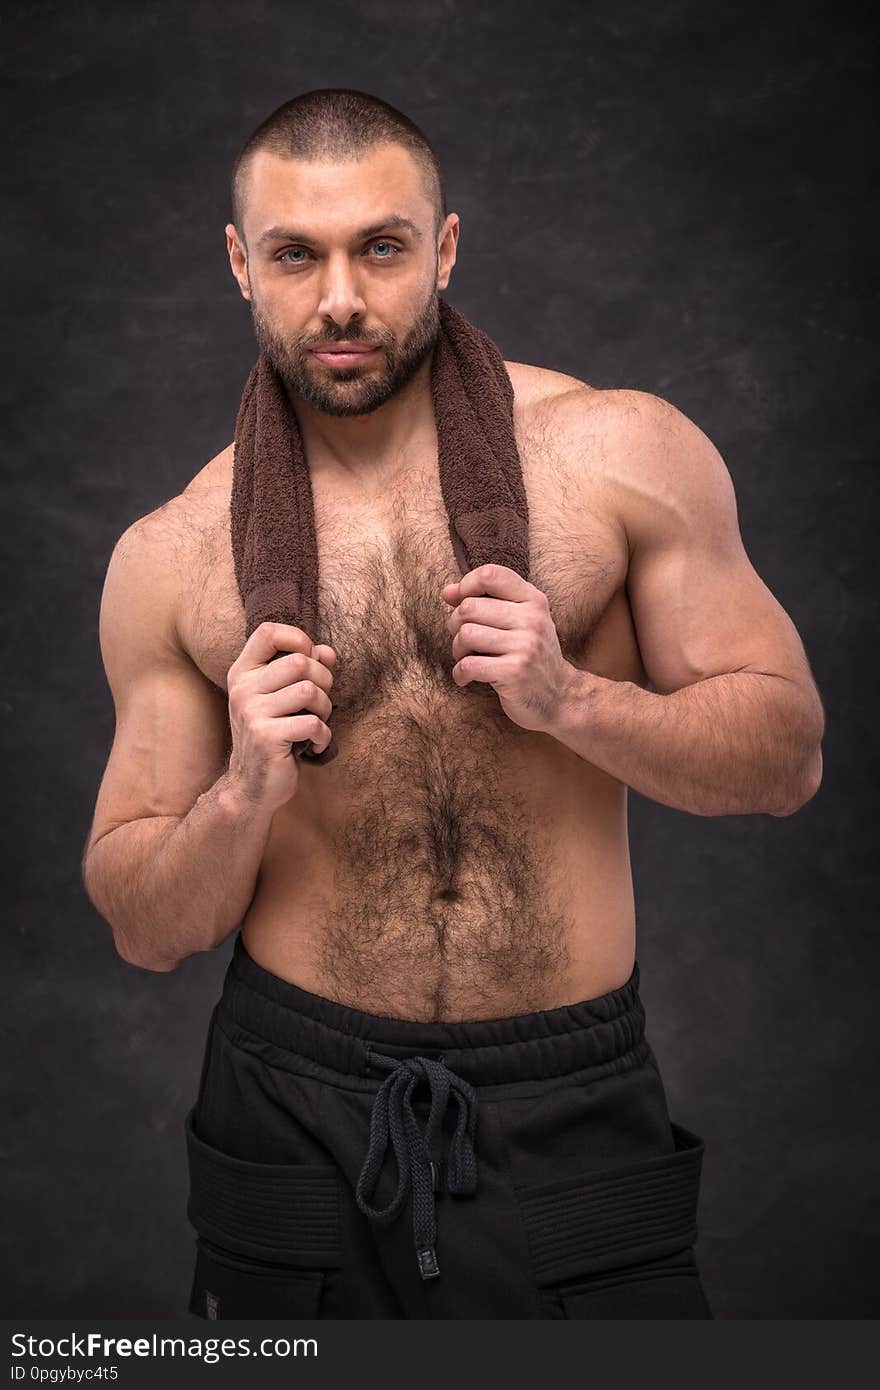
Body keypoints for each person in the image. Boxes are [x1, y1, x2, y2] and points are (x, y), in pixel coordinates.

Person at [82, 89, 825, 1320]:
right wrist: (244, 790)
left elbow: (787, 755)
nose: (339, 299)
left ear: (445, 248)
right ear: (237, 264)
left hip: (573, 1106)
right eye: (294, 255)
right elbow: (143, 922)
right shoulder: (173, 556)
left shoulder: (619, 453)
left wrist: (571, 697)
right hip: (290, 1114)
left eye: (380, 247)